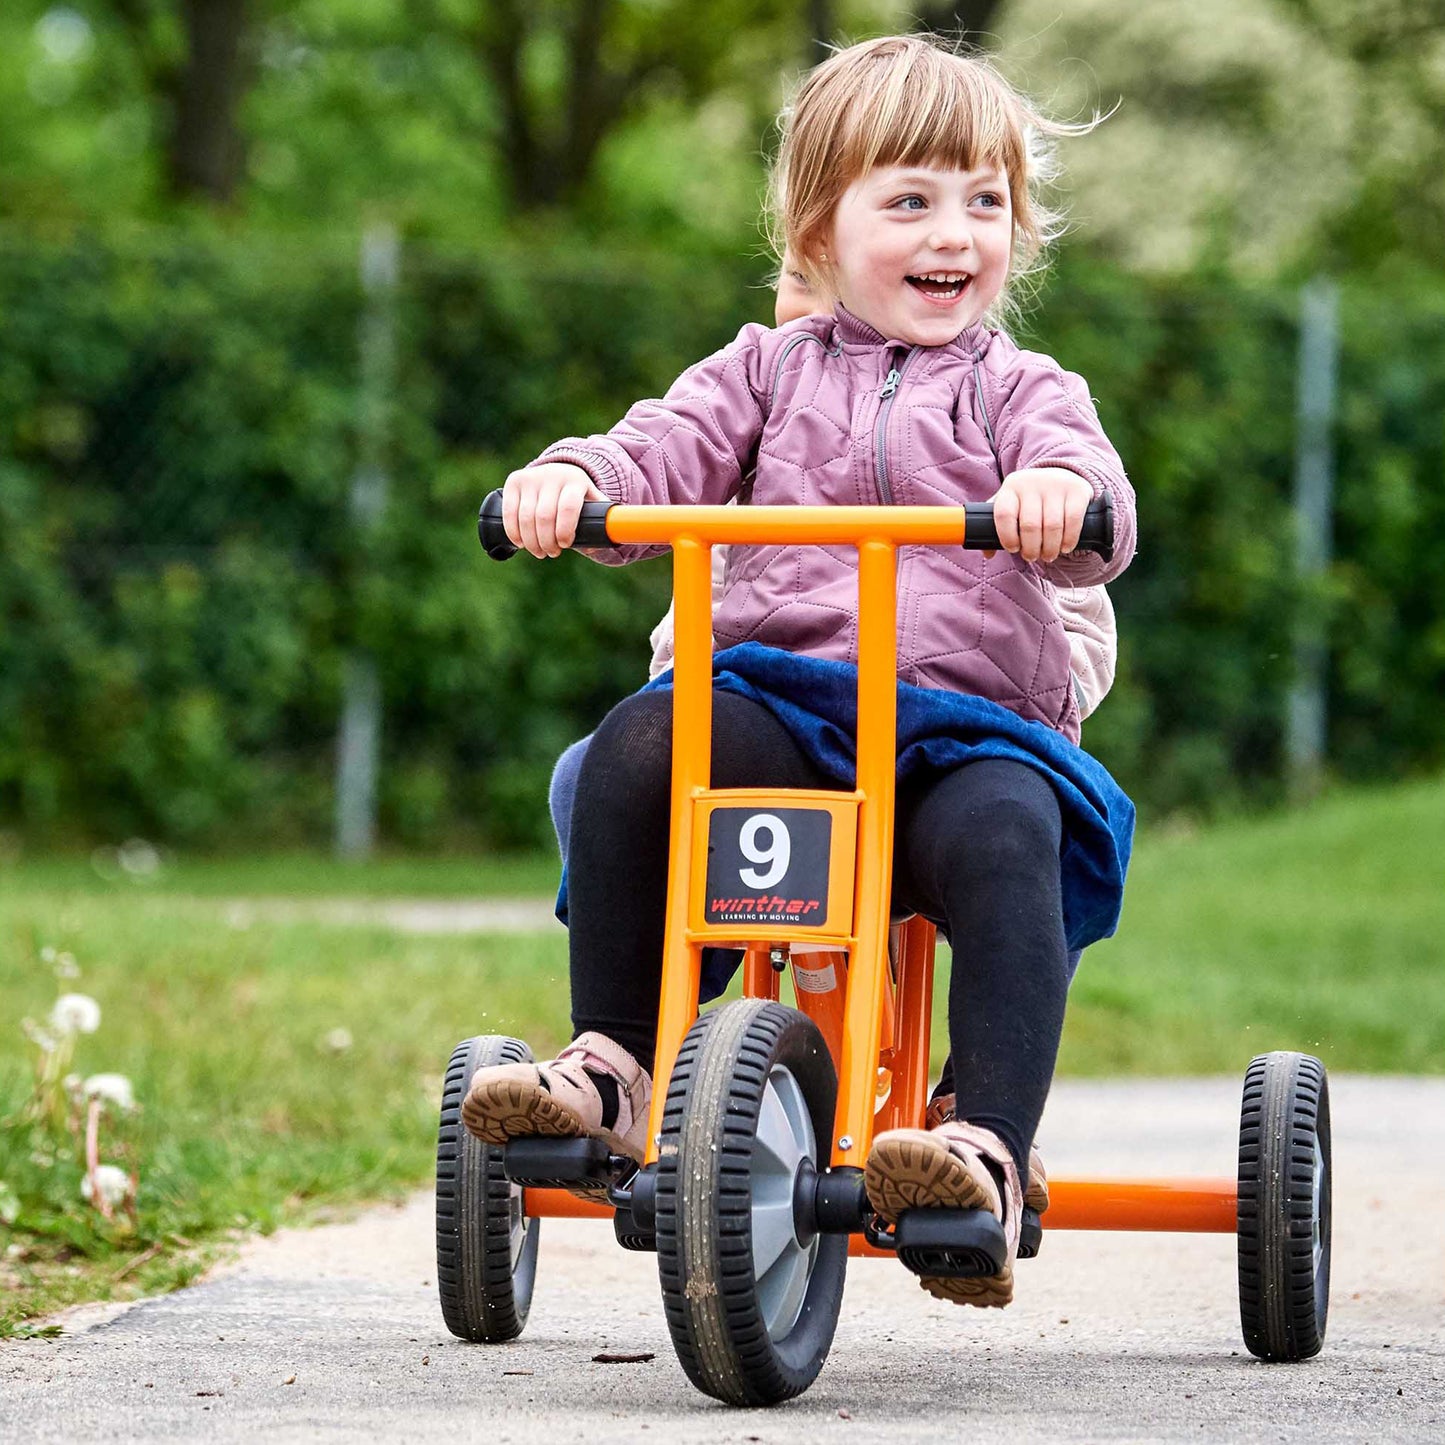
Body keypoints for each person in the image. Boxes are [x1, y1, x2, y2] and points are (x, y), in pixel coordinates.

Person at [464, 34, 1137, 1310]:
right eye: (910, 199)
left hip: (959, 727)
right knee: (644, 744)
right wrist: (580, 479)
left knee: (1009, 831)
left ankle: (978, 1143)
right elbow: (663, 443)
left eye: (983, 201)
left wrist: (1062, 494)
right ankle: (615, 1066)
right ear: (818, 230)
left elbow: (1090, 483)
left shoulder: (1018, 389)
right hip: (782, 701)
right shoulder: (762, 372)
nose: (955, 232)